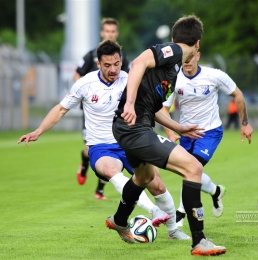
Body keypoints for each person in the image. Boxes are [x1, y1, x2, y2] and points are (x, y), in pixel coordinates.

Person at [18, 40, 190, 240]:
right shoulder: (85, 83)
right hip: (101, 147)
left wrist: (174, 127)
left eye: (116, 64)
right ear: (98, 64)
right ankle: (154, 211)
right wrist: (38, 131)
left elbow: (150, 110)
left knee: (157, 185)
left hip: (130, 141)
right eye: (107, 65)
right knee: (111, 170)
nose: (113, 69)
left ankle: (173, 231)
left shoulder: (130, 80)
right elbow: (61, 109)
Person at [106, 15, 227, 256]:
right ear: (198, 44)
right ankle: (199, 241)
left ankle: (119, 219)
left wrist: (178, 127)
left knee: (144, 176)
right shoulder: (173, 51)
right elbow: (139, 62)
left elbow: (152, 108)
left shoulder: (171, 69)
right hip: (133, 126)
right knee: (193, 168)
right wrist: (129, 103)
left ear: (174, 37)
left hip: (133, 126)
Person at [162, 51, 253, 227]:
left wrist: (245, 123)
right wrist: (171, 132)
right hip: (186, 133)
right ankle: (215, 191)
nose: (187, 62)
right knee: (188, 171)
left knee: (191, 168)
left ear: (198, 55)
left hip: (210, 133)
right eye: (184, 59)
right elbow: (164, 109)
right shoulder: (174, 79)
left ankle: (180, 213)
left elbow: (238, 95)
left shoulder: (214, 75)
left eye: (191, 57)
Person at [73, 17, 129, 200]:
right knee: (89, 150)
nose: (110, 35)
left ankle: (100, 190)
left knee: (111, 147)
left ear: (117, 34)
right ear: (101, 33)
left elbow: (129, 81)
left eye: (113, 32)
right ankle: (83, 165)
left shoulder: (123, 57)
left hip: (114, 113)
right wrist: (84, 96)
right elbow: (77, 75)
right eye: (107, 31)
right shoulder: (91, 55)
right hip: (94, 111)